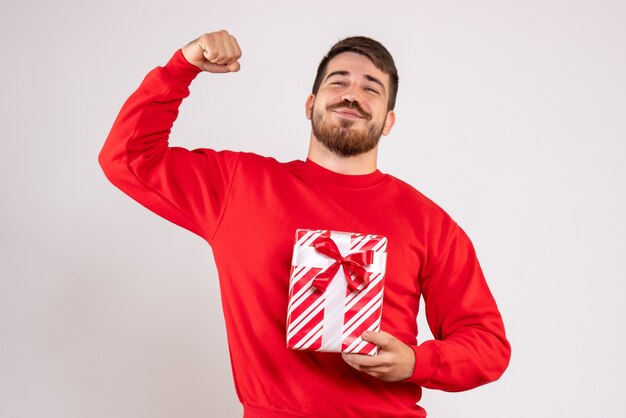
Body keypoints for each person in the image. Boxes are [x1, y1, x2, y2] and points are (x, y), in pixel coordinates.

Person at [99, 30, 511, 418]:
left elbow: (488, 345)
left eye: (371, 88)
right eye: (339, 82)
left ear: (388, 121)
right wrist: (182, 66)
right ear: (310, 104)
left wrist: (416, 362)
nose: (352, 95)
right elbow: (126, 159)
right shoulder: (238, 186)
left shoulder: (430, 223)